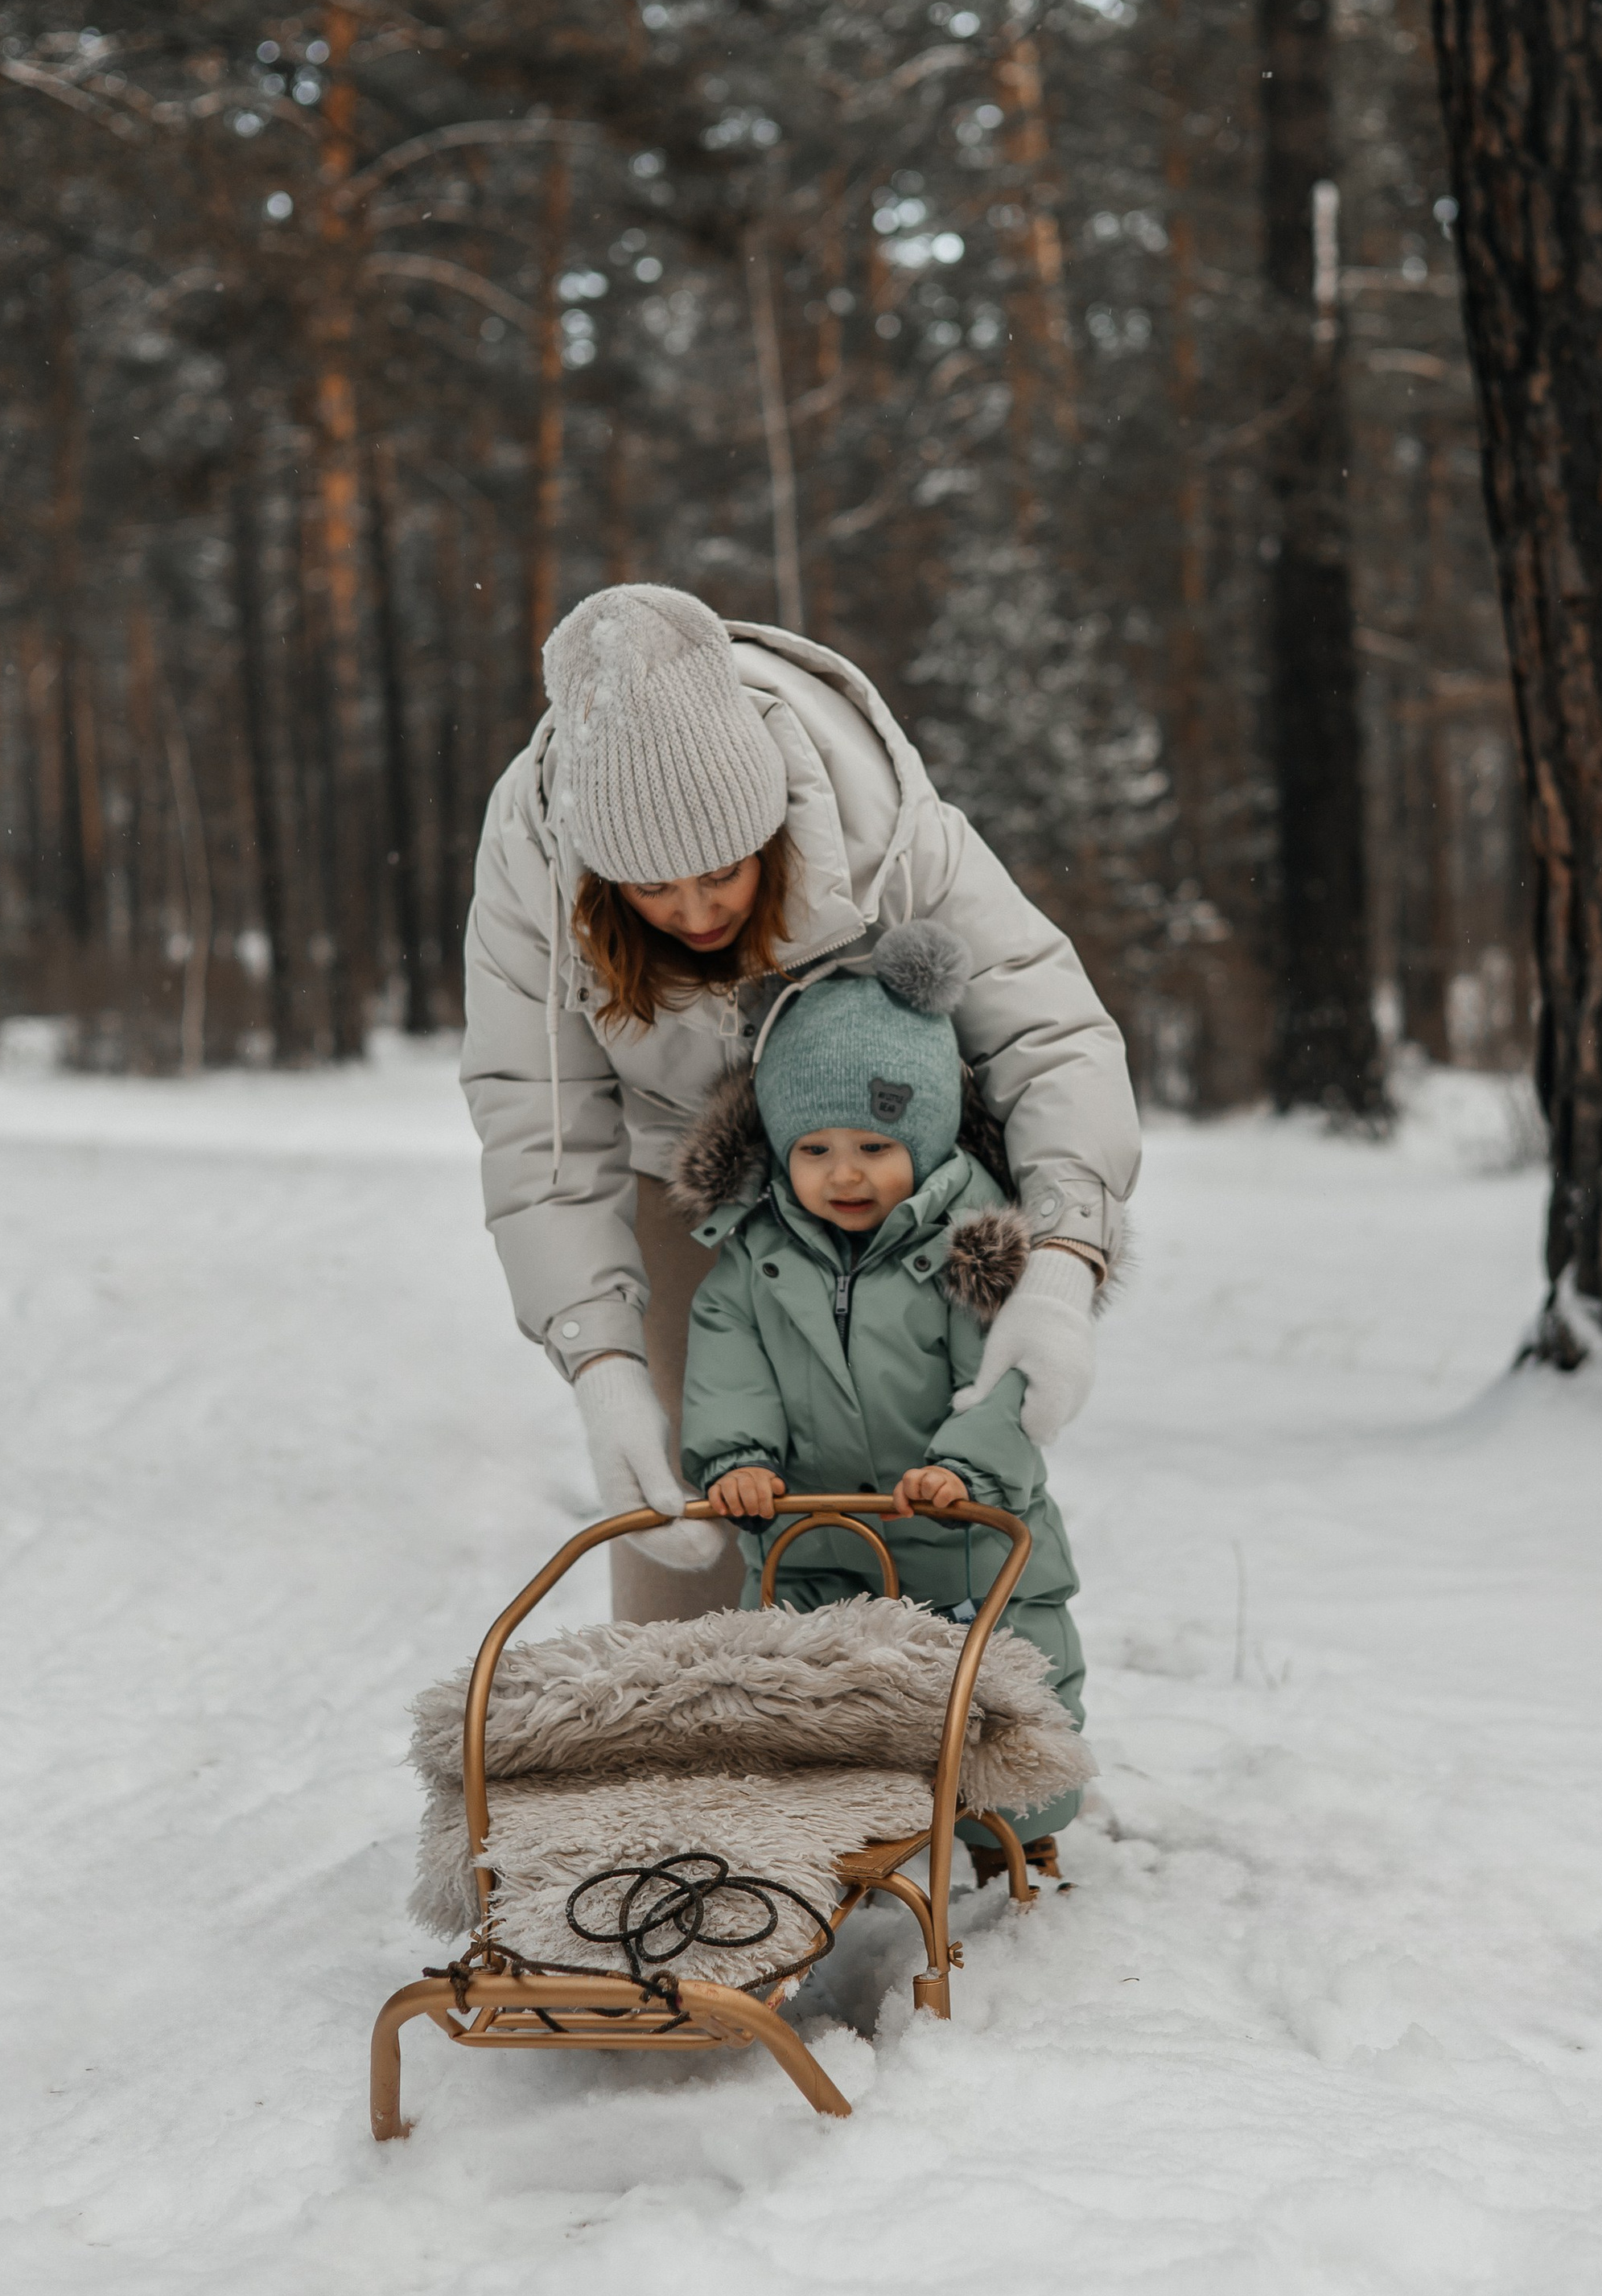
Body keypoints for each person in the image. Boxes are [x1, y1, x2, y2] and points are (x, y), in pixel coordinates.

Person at [460, 583, 1139, 1623]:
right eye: (649, 890)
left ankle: (951, 1748)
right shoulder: (532, 874)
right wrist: (602, 1364)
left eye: (722, 874)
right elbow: (537, 1125)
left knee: (922, 1495)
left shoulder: (885, 827)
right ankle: (689, 1752)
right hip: (677, 1171)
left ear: (771, 825)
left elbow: (1052, 1038)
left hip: (896, 1175)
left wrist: (1060, 1268)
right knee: (696, 1511)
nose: (693, 913)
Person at [669, 920, 1086, 1874]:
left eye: (872, 1143)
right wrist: (739, 1460)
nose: (843, 1173)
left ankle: (1016, 1838)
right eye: (812, 1148)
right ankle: (832, 1842)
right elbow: (729, 1360)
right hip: (816, 1536)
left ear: (927, 1127)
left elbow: (1008, 1375)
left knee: (1000, 1686)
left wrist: (963, 1465)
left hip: (962, 1534)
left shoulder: (972, 1244)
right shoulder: (754, 1256)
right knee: (811, 1700)